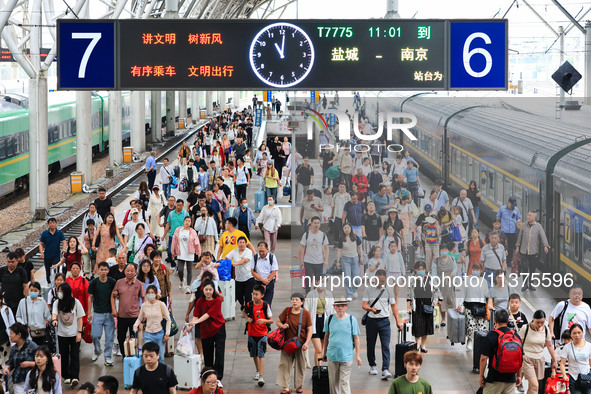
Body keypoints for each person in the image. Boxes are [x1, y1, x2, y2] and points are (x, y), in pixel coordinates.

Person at [362, 269, 403, 380]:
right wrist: (371, 309)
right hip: (372, 320)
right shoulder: (368, 289)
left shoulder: (388, 290)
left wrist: (398, 322)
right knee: (371, 344)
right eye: (379, 280)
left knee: (386, 345)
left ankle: (385, 369)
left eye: (382, 281)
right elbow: (364, 305)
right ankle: (373, 365)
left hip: (385, 321)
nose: (380, 283)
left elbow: (394, 306)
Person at [322, 298, 362, 394]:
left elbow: (356, 338)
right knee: (333, 382)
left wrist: (357, 356)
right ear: (334, 307)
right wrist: (324, 352)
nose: (340, 308)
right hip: (332, 355)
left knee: (344, 382)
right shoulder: (330, 319)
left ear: (346, 306)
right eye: (338, 306)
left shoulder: (352, 320)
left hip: (346, 356)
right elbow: (326, 335)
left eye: (343, 306)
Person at [189, 280, 227, 380]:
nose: (208, 292)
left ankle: (218, 378)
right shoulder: (199, 301)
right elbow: (195, 316)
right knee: (207, 355)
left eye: (210, 289)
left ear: (214, 290)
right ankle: (210, 377)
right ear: (203, 290)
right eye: (206, 289)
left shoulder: (217, 300)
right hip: (206, 330)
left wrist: (195, 322)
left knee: (219, 354)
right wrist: (190, 326)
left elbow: (208, 314)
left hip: (219, 329)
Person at [276, 293, 313, 394]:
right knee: (285, 365)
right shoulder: (287, 311)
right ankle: (286, 387)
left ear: (302, 301)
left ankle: (299, 386)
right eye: (292, 299)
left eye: (297, 300)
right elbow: (278, 321)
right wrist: (282, 326)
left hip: (300, 344)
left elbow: (310, 329)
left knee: (300, 366)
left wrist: (307, 342)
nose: (294, 301)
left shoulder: (305, 313)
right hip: (287, 344)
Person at [479, 309, 523, 394]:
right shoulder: (515, 335)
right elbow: (521, 357)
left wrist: (481, 376)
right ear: (507, 320)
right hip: (511, 380)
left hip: (494, 379)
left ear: (495, 320)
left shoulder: (491, 336)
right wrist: (519, 375)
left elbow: (483, 358)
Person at [52, 283, 85, 388]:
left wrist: (79, 333)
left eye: (61, 291)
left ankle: (75, 377)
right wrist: (54, 320)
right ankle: (66, 375)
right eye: (58, 291)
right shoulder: (57, 303)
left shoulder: (75, 302)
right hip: (62, 334)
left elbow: (80, 318)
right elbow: (54, 313)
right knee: (64, 355)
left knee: (75, 355)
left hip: (74, 334)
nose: (59, 293)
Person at [517, 310, 558, 394]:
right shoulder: (526, 328)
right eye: (537, 322)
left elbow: (549, 345)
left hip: (539, 359)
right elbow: (519, 345)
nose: (540, 325)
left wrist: (554, 360)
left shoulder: (546, 329)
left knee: (533, 387)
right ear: (533, 319)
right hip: (527, 359)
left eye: (542, 322)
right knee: (535, 385)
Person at [111, 264, 146, 357]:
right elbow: (113, 295)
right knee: (120, 337)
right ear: (124, 271)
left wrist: (144, 313)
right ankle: (124, 355)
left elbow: (143, 298)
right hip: (121, 316)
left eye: (132, 271)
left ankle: (132, 355)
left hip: (134, 316)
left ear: (135, 272)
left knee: (133, 338)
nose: (130, 273)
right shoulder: (119, 282)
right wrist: (114, 309)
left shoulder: (139, 284)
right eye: (128, 270)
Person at [243, 285, 273, 387]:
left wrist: (264, 320)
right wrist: (247, 318)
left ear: (262, 295)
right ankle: (257, 370)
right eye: (253, 294)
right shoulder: (249, 304)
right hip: (251, 333)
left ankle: (261, 376)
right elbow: (243, 311)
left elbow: (271, 320)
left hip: (262, 333)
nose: (254, 296)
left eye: (256, 294)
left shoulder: (265, 306)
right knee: (254, 354)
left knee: (261, 354)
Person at [88, 261, 117, 366]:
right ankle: (97, 350)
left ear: (108, 270)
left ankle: (108, 357)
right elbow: (90, 297)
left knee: (109, 337)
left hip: (109, 314)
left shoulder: (112, 282)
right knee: (95, 335)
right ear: (98, 270)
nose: (103, 271)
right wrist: (89, 312)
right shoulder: (94, 283)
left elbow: (116, 294)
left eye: (105, 269)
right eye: (102, 269)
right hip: (97, 313)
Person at [407, 262, 440, 353]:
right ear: (415, 270)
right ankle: (417, 344)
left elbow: (436, 290)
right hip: (417, 305)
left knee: (426, 326)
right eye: (418, 269)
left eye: (422, 269)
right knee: (417, 325)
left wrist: (436, 301)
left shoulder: (430, 279)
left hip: (428, 304)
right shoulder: (412, 280)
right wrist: (408, 307)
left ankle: (423, 345)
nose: (420, 271)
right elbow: (409, 295)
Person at [134, 285, 170, 363]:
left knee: (160, 358)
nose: (150, 295)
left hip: (159, 333)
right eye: (149, 293)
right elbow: (140, 318)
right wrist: (135, 325)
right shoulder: (144, 305)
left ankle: (160, 374)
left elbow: (168, 320)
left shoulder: (161, 304)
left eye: (152, 293)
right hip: (148, 333)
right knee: (148, 356)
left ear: (156, 293)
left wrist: (167, 334)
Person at [516, 210, 550, 291]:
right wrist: (517, 246)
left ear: (534, 217)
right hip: (524, 250)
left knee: (532, 268)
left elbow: (543, 236)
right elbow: (520, 236)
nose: (528, 217)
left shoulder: (538, 226)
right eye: (528, 215)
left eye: (530, 215)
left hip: (533, 251)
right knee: (525, 267)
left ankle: (531, 284)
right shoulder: (524, 225)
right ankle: (524, 284)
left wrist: (545, 245)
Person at [3, 322, 38, 394]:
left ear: (19, 335)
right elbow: (10, 362)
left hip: (31, 380)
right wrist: (7, 368)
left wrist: (29, 364)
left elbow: (43, 362)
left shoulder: (33, 346)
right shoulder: (13, 349)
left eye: (11, 333)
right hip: (18, 381)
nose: (10, 336)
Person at [304, 284, 335, 366]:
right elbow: (306, 310)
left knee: (323, 348)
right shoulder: (311, 294)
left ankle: (320, 369)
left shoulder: (329, 294)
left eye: (324, 281)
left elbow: (332, 310)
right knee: (318, 350)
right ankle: (318, 370)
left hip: (325, 322)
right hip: (314, 322)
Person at [298, 217, 329, 293]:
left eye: (318, 223)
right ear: (311, 224)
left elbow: (326, 247)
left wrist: (326, 260)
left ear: (320, 224)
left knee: (318, 279)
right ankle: (308, 292)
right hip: (308, 261)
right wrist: (301, 259)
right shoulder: (306, 234)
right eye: (314, 223)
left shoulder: (323, 235)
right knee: (308, 278)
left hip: (319, 261)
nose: (316, 225)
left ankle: (315, 292)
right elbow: (302, 247)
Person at [171, 216, 201, 294]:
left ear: (191, 223)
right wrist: (172, 251)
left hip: (190, 253)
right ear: (183, 221)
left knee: (189, 270)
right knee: (180, 270)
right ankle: (181, 280)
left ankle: (188, 286)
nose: (187, 222)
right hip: (180, 253)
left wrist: (199, 252)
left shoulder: (193, 232)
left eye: (189, 221)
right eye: (186, 221)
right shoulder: (178, 230)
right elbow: (174, 241)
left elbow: (197, 242)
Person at [16, 282, 50, 347]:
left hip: (40, 333)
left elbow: (47, 316)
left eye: (35, 291)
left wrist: (47, 320)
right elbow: (18, 316)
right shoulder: (23, 302)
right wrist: (23, 324)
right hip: (27, 333)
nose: (33, 292)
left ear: (39, 292)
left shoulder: (42, 302)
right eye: (31, 290)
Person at [227, 236, 254, 313]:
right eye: (240, 242)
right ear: (237, 243)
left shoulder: (248, 251)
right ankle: (243, 305)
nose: (242, 244)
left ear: (246, 244)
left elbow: (244, 260)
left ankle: (248, 312)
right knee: (238, 295)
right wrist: (221, 261)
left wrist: (234, 264)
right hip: (238, 278)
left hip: (248, 277)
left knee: (248, 295)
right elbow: (226, 257)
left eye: (243, 243)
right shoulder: (234, 251)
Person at [336, 223, 362, 301]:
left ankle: (354, 290)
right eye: (345, 228)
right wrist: (337, 261)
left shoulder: (355, 237)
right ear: (343, 230)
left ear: (350, 229)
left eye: (348, 228)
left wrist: (361, 257)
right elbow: (339, 250)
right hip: (345, 260)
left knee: (357, 278)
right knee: (347, 277)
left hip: (355, 259)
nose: (347, 229)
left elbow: (360, 247)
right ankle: (349, 294)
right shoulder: (341, 239)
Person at [496, 195, 522, 267]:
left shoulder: (516, 210)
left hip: (513, 231)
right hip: (504, 232)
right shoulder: (502, 209)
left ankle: (509, 261)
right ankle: (502, 259)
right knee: (503, 246)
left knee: (510, 247)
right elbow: (498, 217)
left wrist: (519, 221)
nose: (513, 206)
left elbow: (519, 218)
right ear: (508, 203)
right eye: (512, 205)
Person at [39, 218, 66, 284]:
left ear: (56, 224)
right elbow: (41, 244)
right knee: (48, 273)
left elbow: (64, 242)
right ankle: (49, 284)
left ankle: (56, 285)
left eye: (53, 223)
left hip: (56, 256)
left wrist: (63, 249)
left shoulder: (59, 233)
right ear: (48, 224)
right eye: (50, 223)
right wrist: (42, 253)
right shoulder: (44, 233)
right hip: (47, 256)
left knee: (56, 272)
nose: (52, 224)